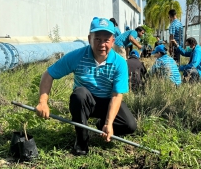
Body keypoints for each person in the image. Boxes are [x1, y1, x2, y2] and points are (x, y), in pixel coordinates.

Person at [35, 17, 137, 156]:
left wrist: (109, 122)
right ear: (89, 38)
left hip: (108, 101)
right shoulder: (77, 56)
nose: (102, 44)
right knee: (79, 94)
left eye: (106, 40)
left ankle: (102, 125)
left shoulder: (119, 63)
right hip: (85, 102)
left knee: (130, 126)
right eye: (97, 39)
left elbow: (117, 95)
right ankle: (82, 140)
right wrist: (43, 102)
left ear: (113, 41)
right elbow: (48, 74)